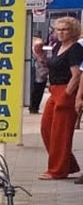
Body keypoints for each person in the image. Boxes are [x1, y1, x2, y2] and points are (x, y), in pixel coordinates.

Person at [35, 17, 81, 179]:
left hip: (65, 91)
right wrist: (39, 54)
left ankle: (57, 170)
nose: (60, 32)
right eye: (58, 29)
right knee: (46, 128)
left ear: (72, 31)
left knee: (60, 133)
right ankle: (67, 165)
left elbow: (76, 75)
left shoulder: (75, 49)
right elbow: (51, 65)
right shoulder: (57, 46)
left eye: (65, 29)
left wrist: (67, 94)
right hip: (54, 90)